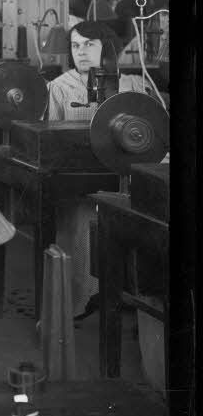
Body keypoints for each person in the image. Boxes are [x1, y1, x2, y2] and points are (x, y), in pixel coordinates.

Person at [46, 21, 152, 326]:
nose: (81, 51)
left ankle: (133, 297)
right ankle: (81, 299)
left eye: (89, 44)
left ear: (106, 48)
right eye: (75, 45)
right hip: (80, 182)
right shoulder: (60, 87)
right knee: (82, 222)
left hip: (125, 180)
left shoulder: (132, 84)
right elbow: (52, 139)